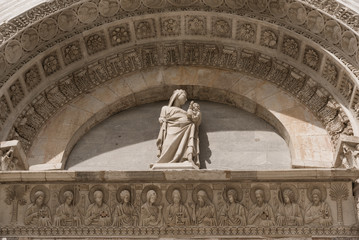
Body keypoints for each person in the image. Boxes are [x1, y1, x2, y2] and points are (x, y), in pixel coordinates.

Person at [156, 89, 201, 166]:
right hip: (171, 129)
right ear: (177, 96)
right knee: (168, 145)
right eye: (184, 96)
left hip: (185, 130)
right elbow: (161, 119)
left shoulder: (185, 112)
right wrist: (164, 120)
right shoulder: (165, 108)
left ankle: (185, 158)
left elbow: (193, 119)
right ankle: (164, 160)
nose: (186, 99)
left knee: (191, 126)